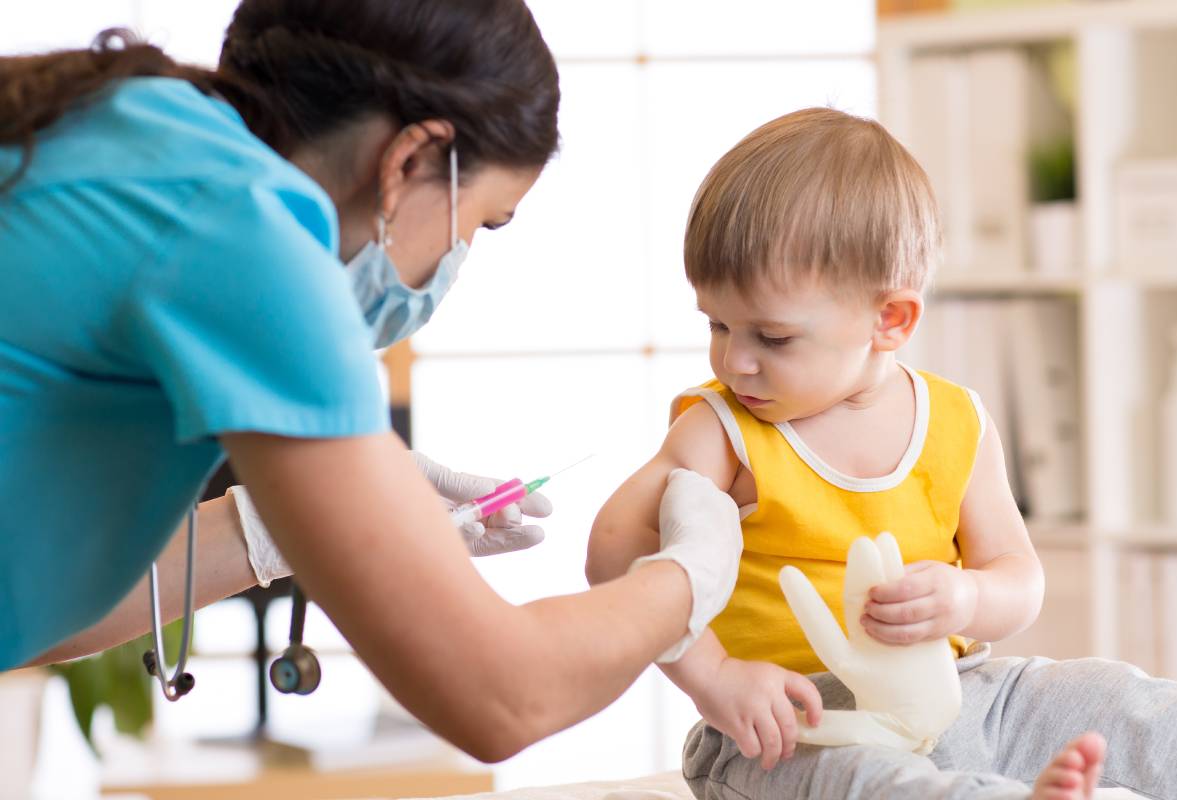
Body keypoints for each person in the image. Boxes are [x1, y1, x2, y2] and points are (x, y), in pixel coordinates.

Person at [0, 0, 745, 762]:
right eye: (480, 222)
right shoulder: (245, 235)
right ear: (412, 160)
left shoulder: (140, 133)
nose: (455, 260)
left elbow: (24, 608)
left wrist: (260, 534)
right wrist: (688, 577)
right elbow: (504, 696)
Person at [587, 107, 1177, 799]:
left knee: (1124, 702)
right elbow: (614, 546)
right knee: (877, 786)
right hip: (792, 729)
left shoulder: (957, 421)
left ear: (892, 320)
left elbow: (1019, 578)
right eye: (718, 324)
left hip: (961, 695)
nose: (736, 360)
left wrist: (966, 596)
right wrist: (714, 677)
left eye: (774, 337)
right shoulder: (720, 431)